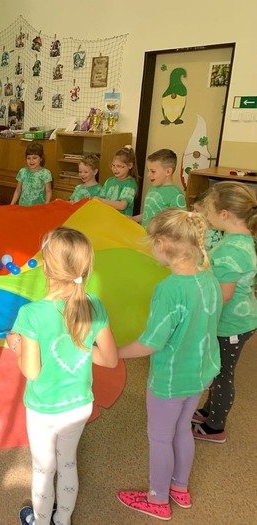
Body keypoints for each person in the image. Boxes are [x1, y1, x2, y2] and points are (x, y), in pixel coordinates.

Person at [7, 227, 118, 525]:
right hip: (79, 405)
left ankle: (42, 521)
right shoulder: (94, 304)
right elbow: (110, 359)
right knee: (68, 462)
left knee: (44, 469)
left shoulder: (31, 314)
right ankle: (63, 520)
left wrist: (15, 345)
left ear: (45, 266)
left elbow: (31, 371)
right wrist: (81, 350)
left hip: (43, 408)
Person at [117, 209, 221, 520]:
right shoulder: (209, 277)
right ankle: (180, 487)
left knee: (160, 438)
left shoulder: (169, 290)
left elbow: (151, 343)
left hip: (171, 380)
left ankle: (158, 498)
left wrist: (115, 353)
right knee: (182, 429)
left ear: (162, 244)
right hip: (199, 375)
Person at [192, 181, 257, 444]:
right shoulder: (239, 239)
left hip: (230, 324)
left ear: (225, 214)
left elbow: (223, 295)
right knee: (219, 370)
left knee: (221, 374)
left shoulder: (232, 249)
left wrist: (201, 321)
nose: (206, 215)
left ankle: (215, 426)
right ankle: (209, 411)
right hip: (237, 320)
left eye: (208, 210)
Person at [133, 149, 186, 227]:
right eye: (148, 170)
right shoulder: (152, 188)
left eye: (153, 171)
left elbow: (180, 224)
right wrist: (134, 219)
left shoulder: (176, 195)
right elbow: (150, 213)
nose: (148, 175)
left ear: (168, 172)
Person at [95, 146, 138, 217]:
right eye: (113, 165)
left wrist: (101, 200)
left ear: (130, 165)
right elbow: (101, 197)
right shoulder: (109, 180)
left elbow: (122, 205)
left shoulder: (130, 183)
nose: (115, 169)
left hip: (120, 220)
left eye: (119, 166)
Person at [10, 142, 52, 206]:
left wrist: (47, 203)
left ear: (41, 158)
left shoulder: (45, 173)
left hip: (38, 208)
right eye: (28, 158)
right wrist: (12, 204)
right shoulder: (22, 171)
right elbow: (18, 190)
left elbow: (48, 191)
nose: (31, 161)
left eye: (34, 158)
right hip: (23, 206)